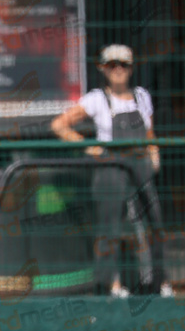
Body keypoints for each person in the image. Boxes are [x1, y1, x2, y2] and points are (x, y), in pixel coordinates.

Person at [51, 44, 171, 298]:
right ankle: (112, 285)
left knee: (155, 223)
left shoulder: (142, 96)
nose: (118, 70)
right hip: (110, 167)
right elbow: (59, 125)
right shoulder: (96, 99)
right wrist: (89, 147)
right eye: (112, 65)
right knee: (109, 227)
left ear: (131, 68)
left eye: (123, 65)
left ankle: (161, 283)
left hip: (140, 165)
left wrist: (153, 152)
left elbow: (149, 131)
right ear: (103, 69)